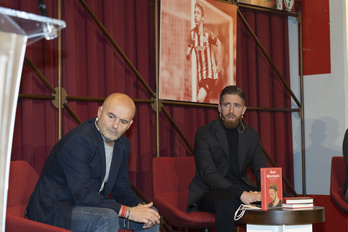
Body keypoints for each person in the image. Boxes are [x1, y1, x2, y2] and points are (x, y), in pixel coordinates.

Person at [26, 93, 160, 232]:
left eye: (123, 121)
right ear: (100, 112)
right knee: (106, 217)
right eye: (111, 116)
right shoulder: (79, 141)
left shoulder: (123, 144)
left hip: (88, 205)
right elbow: (82, 194)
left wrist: (141, 207)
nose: (115, 125)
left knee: (152, 215)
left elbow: (122, 188)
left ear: (129, 125)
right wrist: (128, 212)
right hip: (56, 208)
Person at [186, 85, 268, 232]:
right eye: (226, 105)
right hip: (209, 191)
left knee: (282, 198)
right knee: (226, 201)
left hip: (241, 189)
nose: (231, 111)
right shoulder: (205, 133)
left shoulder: (250, 135)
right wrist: (241, 194)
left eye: (236, 106)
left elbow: (260, 168)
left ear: (243, 110)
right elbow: (208, 174)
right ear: (219, 108)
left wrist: (269, 192)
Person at [186, 1, 222, 103]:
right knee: (205, 102)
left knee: (199, 99)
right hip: (200, 76)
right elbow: (188, 56)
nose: (195, 16)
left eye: (198, 13)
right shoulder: (192, 34)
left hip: (210, 75)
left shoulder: (208, 34)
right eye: (194, 13)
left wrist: (218, 64)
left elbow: (219, 44)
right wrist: (188, 53)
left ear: (202, 18)